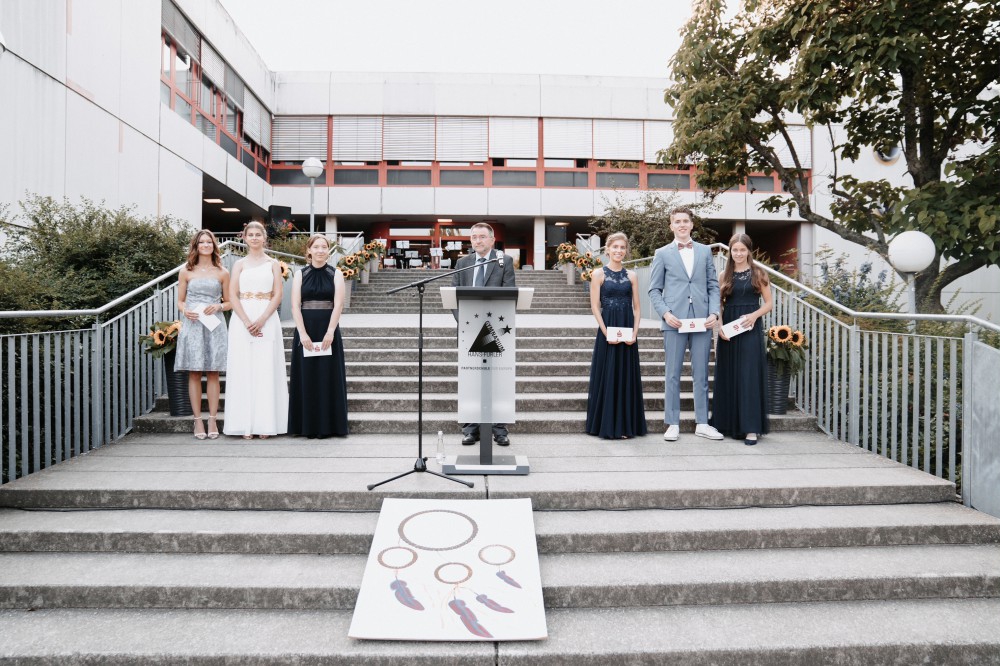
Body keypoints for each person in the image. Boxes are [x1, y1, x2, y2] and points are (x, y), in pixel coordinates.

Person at [648, 206, 724, 442]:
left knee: (701, 374)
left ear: (692, 224)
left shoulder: (704, 251)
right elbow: (654, 290)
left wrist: (714, 312)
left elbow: (713, 286)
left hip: (702, 320)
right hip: (674, 320)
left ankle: (702, 423)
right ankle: (672, 423)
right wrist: (665, 313)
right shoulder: (662, 253)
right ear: (671, 226)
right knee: (672, 374)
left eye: (685, 221)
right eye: (677, 221)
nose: (682, 224)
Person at [452, 222, 517, 447]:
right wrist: (465, 323)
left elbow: (510, 294)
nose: (477, 241)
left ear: (492, 240)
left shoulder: (503, 261)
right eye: (473, 237)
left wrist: (491, 326)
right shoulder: (462, 263)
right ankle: (471, 429)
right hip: (468, 330)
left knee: (498, 380)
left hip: (496, 331)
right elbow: (453, 296)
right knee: (470, 380)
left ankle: (499, 429)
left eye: (481, 237)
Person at [223, 221, 289, 439]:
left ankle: (265, 423)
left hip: (266, 317)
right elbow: (232, 294)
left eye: (257, 234)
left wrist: (261, 319)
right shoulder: (239, 264)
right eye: (250, 234)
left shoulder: (273, 263)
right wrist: (245, 320)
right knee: (243, 368)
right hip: (242, 318)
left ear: (264, 238)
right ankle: (244, 424)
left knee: (265, 368)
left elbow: (278, 294)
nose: (254, 238)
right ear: (244, 238)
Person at [710, 234, 773, 445]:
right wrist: (719, 326)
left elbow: (769, 303)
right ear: (730, 251)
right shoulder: (724, 274)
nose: (738, 254)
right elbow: (719, 303)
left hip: (749, 328)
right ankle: (727, 423)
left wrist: (754, 316)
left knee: (748, 376)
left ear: (748, 251)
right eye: (735, 250)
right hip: (729, 329)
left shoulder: (758, 273)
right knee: (729, 374)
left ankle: (750, 428)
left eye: (742, 250)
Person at [585, 232, 647, 439]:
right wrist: (606, 333)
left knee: (626, 375)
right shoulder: (597, 274)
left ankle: (626, 425)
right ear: (607, 249)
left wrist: (635, 333)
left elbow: (637, 307)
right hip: (608, 329)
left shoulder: (632, 276)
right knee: (608, 374)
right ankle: (607, 424)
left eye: (622, 247)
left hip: (628, 329)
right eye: (615, 247)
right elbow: (595, 307)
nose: (619, 251)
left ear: (626, 250)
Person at [288, 235, 349, 438]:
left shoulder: (336, 273)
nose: (320, 250)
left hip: (328, 330)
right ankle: (305, 426)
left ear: (328, 251)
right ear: (309, 250)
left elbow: (338, 304)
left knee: (327, 376)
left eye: (324, 247)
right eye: (316, 247)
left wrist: (330, 331)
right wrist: (302, 333)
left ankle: (330, 426)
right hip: (305, 329)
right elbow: (295, 305)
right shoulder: (300, 274)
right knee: (306, 376)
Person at [175, 230, 230, 440]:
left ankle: (213, 419)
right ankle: (197, 420)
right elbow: (180, 301)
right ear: (196, 246)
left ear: (214, 246)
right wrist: (185, 310)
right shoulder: (186, 271)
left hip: (215, 324)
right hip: (193, 323)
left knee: (214, 372)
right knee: (195, 372)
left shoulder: (223, 272)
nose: (205, 245)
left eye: (209, 242)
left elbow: (230, 302)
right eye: (202, 242)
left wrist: (218, 306)